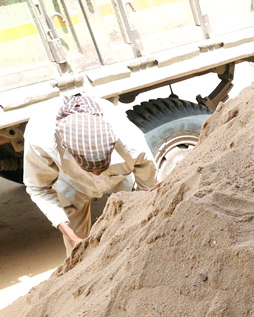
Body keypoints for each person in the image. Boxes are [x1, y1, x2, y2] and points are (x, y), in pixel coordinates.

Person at [23, 93, 158, 257]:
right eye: (89, 169)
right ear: (70, 153)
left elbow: (150, 187)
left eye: (102, 167)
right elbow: (39, 189)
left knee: (131, 230)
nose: (96, 174)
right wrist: (72, 237)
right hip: (70, 182)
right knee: (77, 252)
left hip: (118, 175)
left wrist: (144, 215)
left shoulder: (130, 142)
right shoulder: (41, 140)